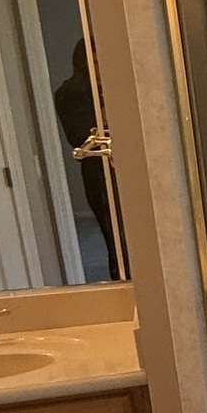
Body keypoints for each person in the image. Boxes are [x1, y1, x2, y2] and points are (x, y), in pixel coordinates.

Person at [52, 38, 122, 281]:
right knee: (115, 236)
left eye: (104, 60)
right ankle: (122, 283)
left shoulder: (118, 86)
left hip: (128, 169)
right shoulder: (70, 93)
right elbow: (79, 137)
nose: (101, 68)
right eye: (94, 62)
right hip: (99, 170)